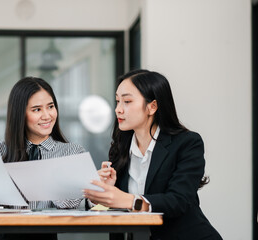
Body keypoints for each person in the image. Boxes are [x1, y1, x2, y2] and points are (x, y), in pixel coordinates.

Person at [83, 69, 222, 240]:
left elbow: (178, 201)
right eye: (117, 101)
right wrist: (102, 192)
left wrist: (129, 200)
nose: (118, 109)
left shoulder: (187, 143)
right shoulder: (121, 146)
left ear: (152, 107)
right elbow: (117, 207)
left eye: (127, 101)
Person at [0, 77, 85, 240]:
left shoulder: (72, 152)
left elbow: (70, 203)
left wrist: (42, 173)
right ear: (21, 114)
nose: (47, 115)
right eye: (37, 109)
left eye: (51, 107)